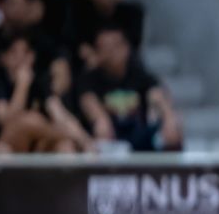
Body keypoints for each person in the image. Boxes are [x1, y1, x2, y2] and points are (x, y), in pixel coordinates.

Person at [76, 22, 179, 151]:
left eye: (115, 46)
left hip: (138, 135)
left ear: (126, 48)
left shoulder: (139, 74)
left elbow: (157, 95)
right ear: (97, 52)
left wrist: (169, 117)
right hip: (110, 138)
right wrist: (101, 120)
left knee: (172, 126)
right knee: (101, 129)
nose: (111, 53)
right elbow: (89, 103)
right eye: (105, 48)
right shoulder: (90, 79)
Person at [63, 0, 143, 66]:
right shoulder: (77, 10)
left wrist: (102, 56)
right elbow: (76, 45)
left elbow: (132, 47)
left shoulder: (132, 12)